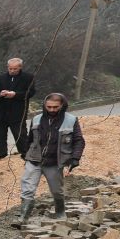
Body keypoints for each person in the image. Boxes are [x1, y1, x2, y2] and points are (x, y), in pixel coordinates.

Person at [14, 91, 85, 224]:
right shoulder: (36, 119)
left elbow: (79, 140)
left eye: (55, 107)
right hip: (34, 160)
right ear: (44, 106)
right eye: (49, 107)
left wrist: (75, 158)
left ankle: (60, 212)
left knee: (57, 191)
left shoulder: (71, 120)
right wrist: (26, 153)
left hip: (54, 162)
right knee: (27, 189)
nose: (52, 110)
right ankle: (22, 218)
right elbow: (30, 139)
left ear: (62, 106)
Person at [0, 56, 35, 160]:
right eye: (10, 68)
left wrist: (15, 94)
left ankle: (25, 155)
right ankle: (2, 156)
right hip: (0, 112)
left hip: (18, 112)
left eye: (15, 69)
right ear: (7, 67)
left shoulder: (28, 77)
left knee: (20, 135)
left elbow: (31, 93)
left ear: (20, 67)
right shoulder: (0, 78)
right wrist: (0, 94)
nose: (12, 71)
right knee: (0, 137)